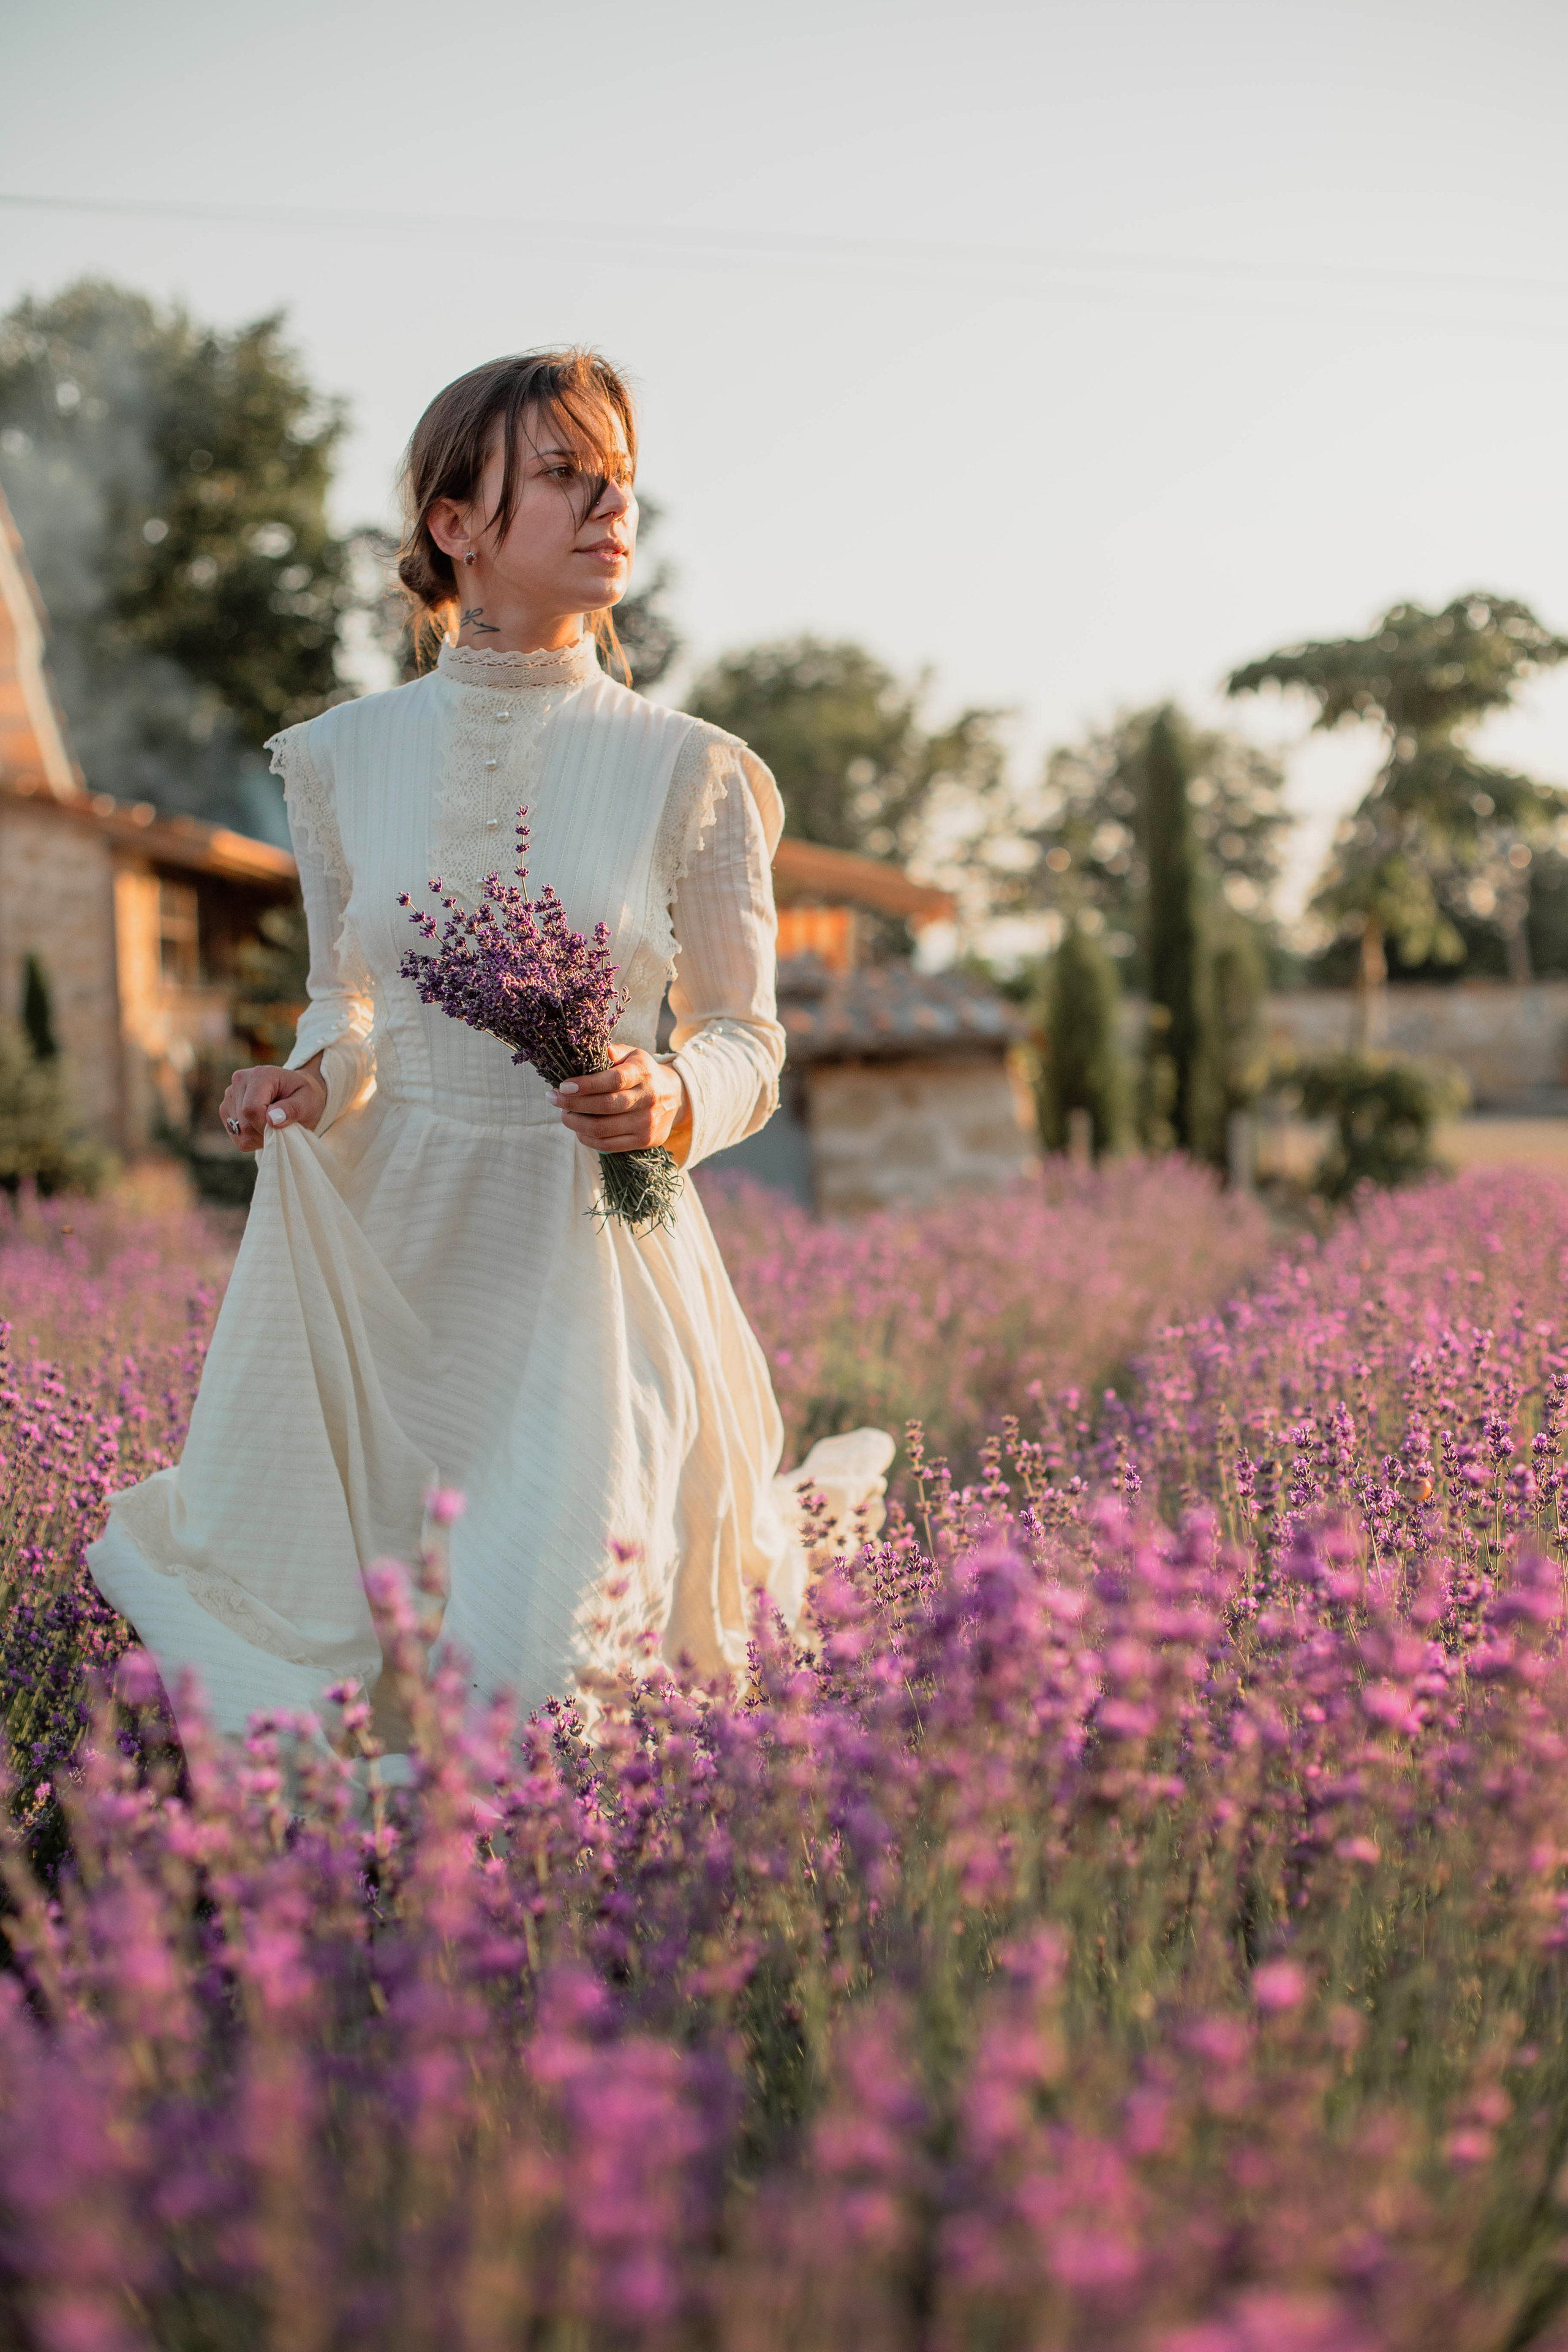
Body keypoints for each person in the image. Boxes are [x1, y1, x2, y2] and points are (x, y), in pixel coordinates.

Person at [87, 348, 891, 1751]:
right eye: (567, 474)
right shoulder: (336, 760)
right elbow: (348, 1005)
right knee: (373, 1682)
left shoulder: (689, 768)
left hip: (589, 1259)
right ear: (455, 525)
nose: (610, 506)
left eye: (620, 477)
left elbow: (746, 1039)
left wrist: (671, 1092)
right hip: (397, 1272)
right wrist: (309, 1081)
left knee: (550, 1685)